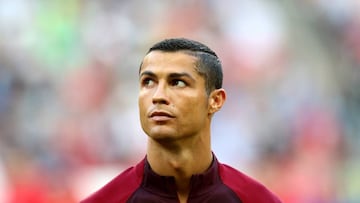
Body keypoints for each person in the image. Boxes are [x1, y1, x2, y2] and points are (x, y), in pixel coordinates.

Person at [80, 38, 282, 203]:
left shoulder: (256, 199)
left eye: (177, 82)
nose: (158, 96)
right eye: (148, 82)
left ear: (215, 101)